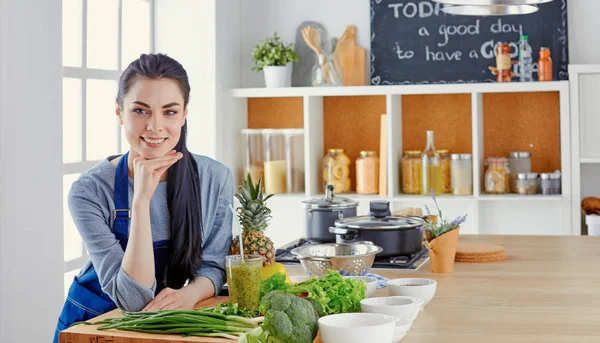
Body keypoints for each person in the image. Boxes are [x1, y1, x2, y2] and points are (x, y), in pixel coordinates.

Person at [53, 53, 233, 342]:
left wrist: (189, 294)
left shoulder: (214, 179)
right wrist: (141, 201)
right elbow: (133, 300)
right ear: (119, 112)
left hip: (164, 327)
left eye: (170, 112)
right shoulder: (89, 191)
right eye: (140, 111)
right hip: (93, 329)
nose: (155, 126)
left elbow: (213, 264)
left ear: (185, 113)